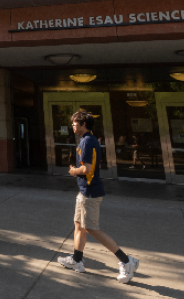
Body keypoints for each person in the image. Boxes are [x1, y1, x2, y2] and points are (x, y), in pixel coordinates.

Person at [57, 111, 140, 283]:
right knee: (78, 226)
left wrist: (73, 171)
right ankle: (76, 260)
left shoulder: (88, 141)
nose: (72, 125)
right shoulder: (88, 140)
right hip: (84, 191)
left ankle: (126, 261)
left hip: (90, 192)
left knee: (91, 228)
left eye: (74, 123)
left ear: (83, 124)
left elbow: (87, 169)